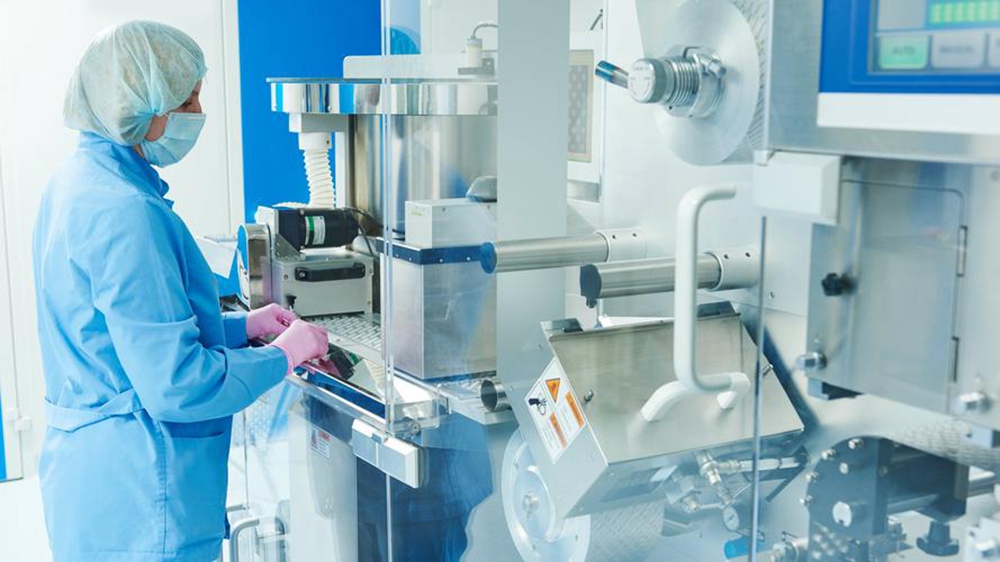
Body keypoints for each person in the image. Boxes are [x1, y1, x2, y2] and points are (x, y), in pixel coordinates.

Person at [32, 21, 329, 562]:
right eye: (186, 99)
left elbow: (116, 337)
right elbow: (178, 385)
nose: (198, 112)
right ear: (136, 104)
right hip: (142, 495)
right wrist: (283, 356)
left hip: (90, 484)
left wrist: (242, 328)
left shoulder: (74, 185)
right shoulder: (126, 214)